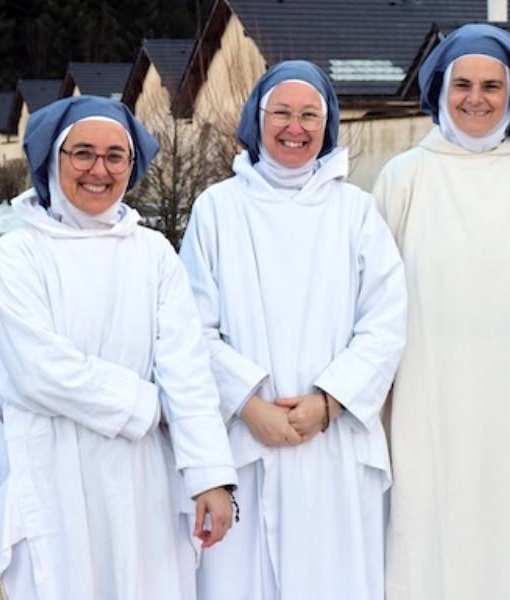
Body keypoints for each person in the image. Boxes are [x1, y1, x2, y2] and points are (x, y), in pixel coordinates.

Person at [0, 95, 238, 599]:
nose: (98, 170)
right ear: (52, 160)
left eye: (114, 156)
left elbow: (187, 371)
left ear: (133, 165)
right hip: (52, 466)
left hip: (142, 477)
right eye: (82, 153)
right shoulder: (20, 254)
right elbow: (37, 369)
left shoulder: (154, 255)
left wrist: (211, 477)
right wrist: (149, 405)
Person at [178, 60, 407, 600]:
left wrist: (327, 403)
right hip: (244, 439)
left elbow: (386, 321)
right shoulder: (217, 210)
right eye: (281, 113)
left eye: (310, 115)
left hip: (334, 444)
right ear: (256, 120)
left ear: (327, 127)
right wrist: (249, 404)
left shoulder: (356, 212)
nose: (294, 128)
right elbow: (189, 327)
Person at [373, 23, 510, 600]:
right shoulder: (404, 177)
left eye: (492, 84)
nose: (476, 98)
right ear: (441, 88)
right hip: (428, 398)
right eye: (462, 83)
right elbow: (373, 300)